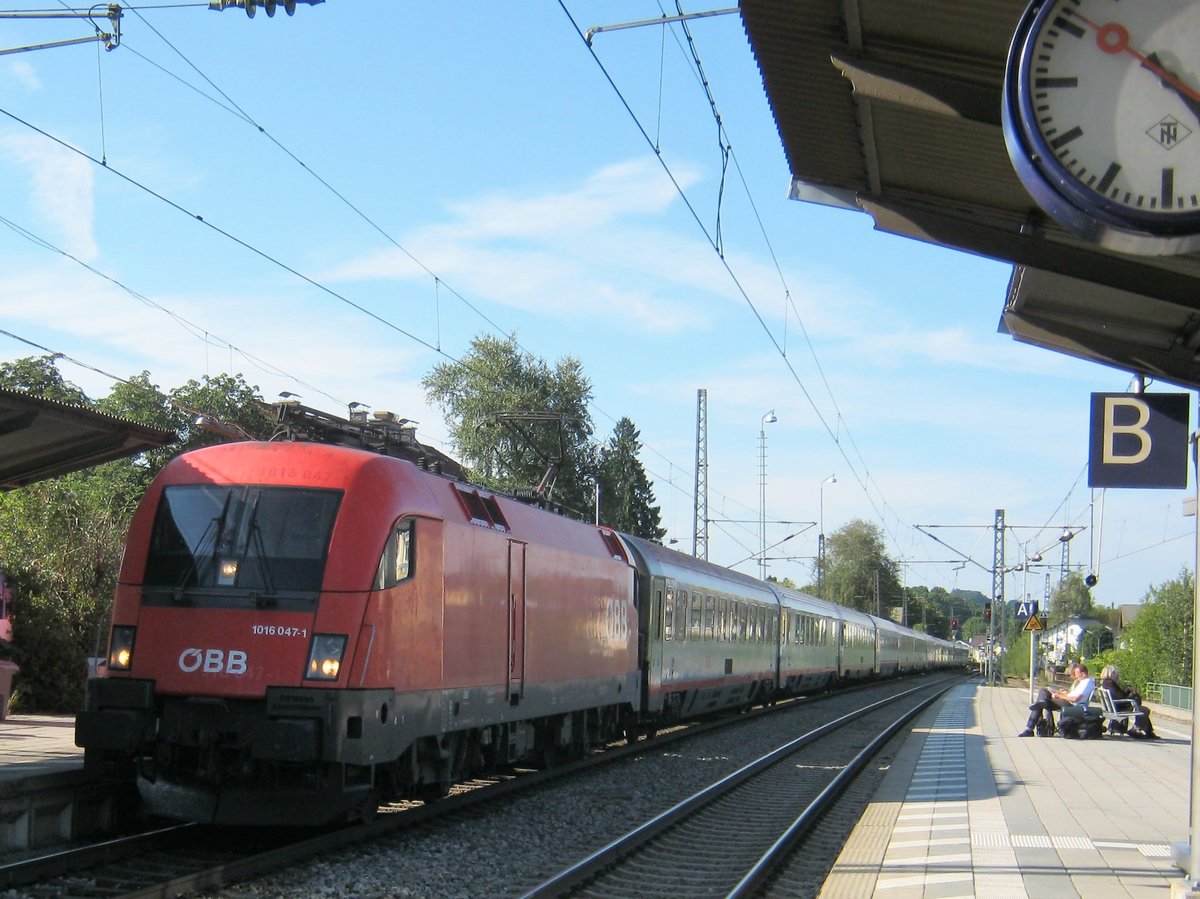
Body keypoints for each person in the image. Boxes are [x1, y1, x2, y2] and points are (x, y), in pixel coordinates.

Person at [1018, 662, 1095, 737]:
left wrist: (1059, 696)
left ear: (1083, 673)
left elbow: (1075, 699)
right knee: (1043, 691)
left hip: (1071, 705)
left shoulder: (1087, 682)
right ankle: (1042, 704)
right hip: (1068, 701)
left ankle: (1029, 729)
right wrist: (1063, 694)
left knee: (1041, 700)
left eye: (1076, 673)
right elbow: (1072, 695)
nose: (1075, 676)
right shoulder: (1083, 682)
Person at [1100, 664, 1158, 739]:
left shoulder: (1105, 683)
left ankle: (1147, 731)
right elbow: (1121, 696)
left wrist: (1129, 691)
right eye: (1116, 673)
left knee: (1141, 708)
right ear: (1111, 673)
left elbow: (1119, 694)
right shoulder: (1110, 683)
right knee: (1144, 710)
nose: (1118, 675)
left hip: (1114, 706)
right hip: (1118, 707)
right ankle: (1135, 730)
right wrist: (1132, 694)